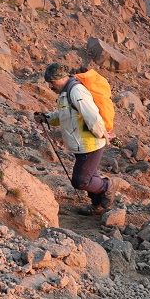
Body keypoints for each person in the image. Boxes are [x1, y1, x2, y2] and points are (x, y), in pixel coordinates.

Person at [34, 63, 115, 216]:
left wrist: (101, 134)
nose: (50, 86)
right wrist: (46, 118)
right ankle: (97, 205)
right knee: (89, 176)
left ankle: (107, 186)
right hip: (81, 143)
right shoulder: (66, 93)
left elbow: (92, 116)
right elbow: (65, 115)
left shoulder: (76, 91)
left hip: (91, 143)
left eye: (52, 82)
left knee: (80, 180)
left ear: (62, 78)